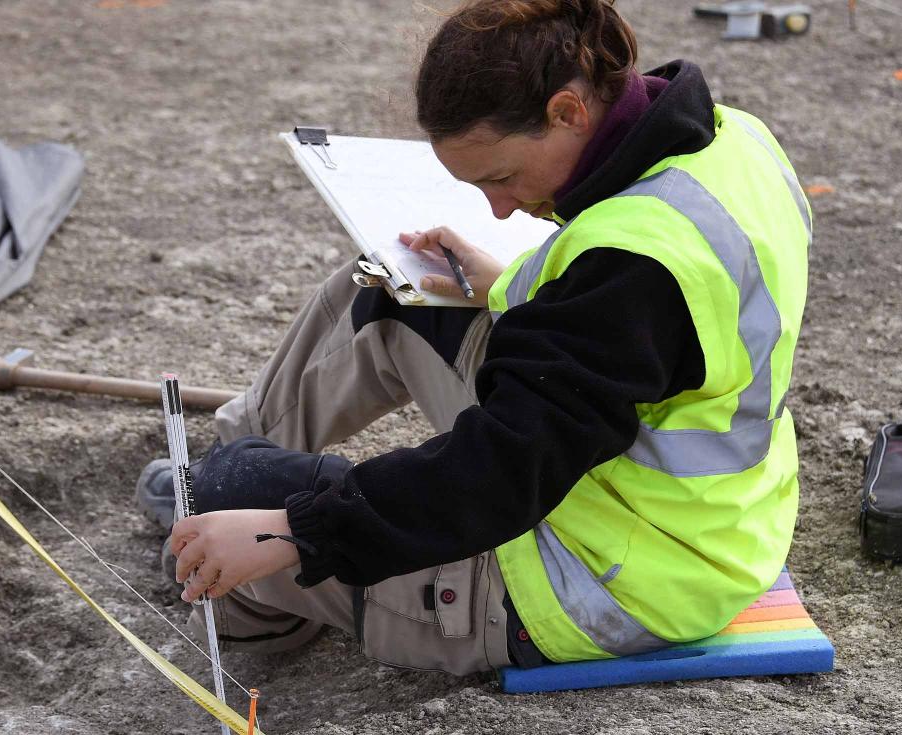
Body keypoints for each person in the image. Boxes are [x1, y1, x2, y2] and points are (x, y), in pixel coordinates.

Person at [135, 0, 810, 675]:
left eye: (501, 176)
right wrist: (503, 285)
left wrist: (296, 532)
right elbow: (636, 337)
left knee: (224, 527)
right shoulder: (734, 142)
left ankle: (256, 596)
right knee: (394, 285)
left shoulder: (629, 269)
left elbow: (500, 472)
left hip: (603, 581)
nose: (498, 207)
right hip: (683, 509)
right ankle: (230, 458)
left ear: (569, 112)